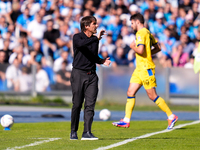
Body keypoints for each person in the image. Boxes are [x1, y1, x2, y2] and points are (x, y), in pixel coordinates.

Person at [112, 13, 178, 130]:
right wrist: (147, 53)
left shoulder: (141, 33)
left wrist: (133, 47)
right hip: (139, 69)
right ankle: (126, 120)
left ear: (137, 22)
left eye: (132, 23)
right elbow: (157, 48)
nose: (131, 25)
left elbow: (141, 50)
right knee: (130, 92)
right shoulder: (147, 32)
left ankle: (171, 116)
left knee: (152, 96)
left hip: (146, 69)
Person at [70, 16, 111, 140]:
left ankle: (87, 132)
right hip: (78, 74)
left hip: (92, 75)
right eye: (94, 24)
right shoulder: (77, 37)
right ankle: (73, 131)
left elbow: (92, 56)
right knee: (77, 104)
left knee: (90, 105)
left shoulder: (94, 39)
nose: (96, 26)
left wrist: (102, 61)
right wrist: (96, 39)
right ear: (86, 26)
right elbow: (82, 46)